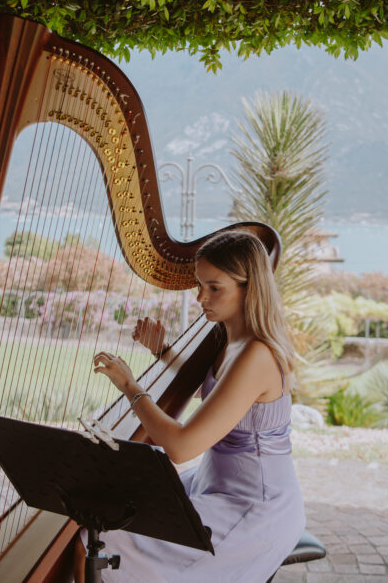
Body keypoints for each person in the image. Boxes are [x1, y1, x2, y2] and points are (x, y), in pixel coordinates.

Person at [91, 230, 305, 582]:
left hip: (252, 508)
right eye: (198, 284)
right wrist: (164, 353)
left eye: (214, 288)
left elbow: (180, 446)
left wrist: (130, 387)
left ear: (249, 288)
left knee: (105, 536)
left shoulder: (257, 354)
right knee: (111, 510)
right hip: (214, 484)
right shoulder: (230, 339)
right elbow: (216, 391)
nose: (200, 297)